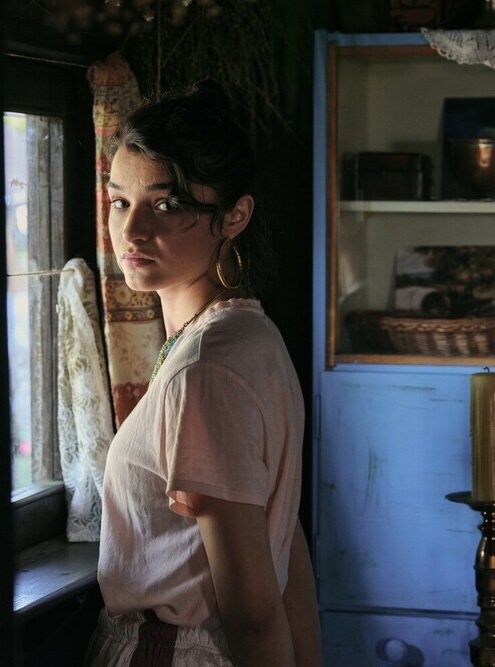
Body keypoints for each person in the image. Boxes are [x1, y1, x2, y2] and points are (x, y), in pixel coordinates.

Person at [84, 80, 322, 667]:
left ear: (235, 216)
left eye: (167, 205)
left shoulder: (206, 369)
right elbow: (285, 543)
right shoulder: (248, 335)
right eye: (120, 201)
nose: (131, 231)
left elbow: (255, 611)